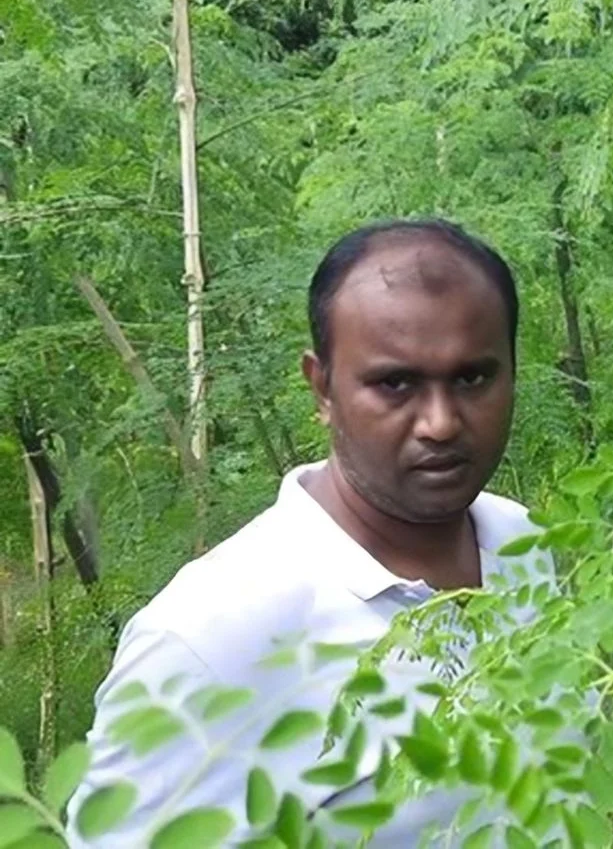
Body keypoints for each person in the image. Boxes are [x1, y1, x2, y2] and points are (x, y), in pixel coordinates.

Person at [66, 219, 554, 847]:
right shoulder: (209, 639)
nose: (440, 422)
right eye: (396, 383)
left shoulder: (528, 549)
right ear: (321, 387)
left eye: (472, 378)